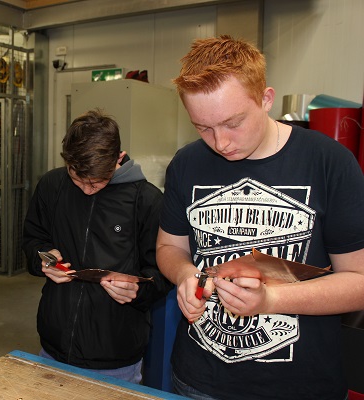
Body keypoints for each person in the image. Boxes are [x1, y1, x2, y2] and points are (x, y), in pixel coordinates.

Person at [156, 35, 364, 399]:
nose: (221, 142)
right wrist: (185, 274)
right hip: (198, 382)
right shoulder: (187, 163)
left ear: (266, 99)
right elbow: (169, 247)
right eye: (203, 127)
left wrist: (271, 301)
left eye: (233, 123)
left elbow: (359, 282)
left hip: (300, 388)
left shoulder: (329, 163)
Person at [22, 109, 171, 383]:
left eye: (96, 182)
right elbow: (33, 239)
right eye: (78, 179)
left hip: (115, 357)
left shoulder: (147, 201)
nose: (86, 189)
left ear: (118, 158)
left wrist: (138, 290)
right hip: (53, 347)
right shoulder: (52, 186)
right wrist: (43, 259)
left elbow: (163, 272)